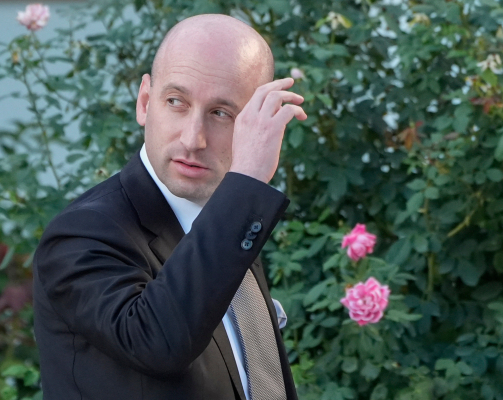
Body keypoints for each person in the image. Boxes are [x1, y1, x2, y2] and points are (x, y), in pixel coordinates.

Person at [33, 13, 307, 400]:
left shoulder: (225, 221)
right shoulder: (83, 234)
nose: (193, 139)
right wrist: (245, 184)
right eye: (176, 102)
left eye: (221, 113)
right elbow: (157, 343)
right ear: (145, 102)